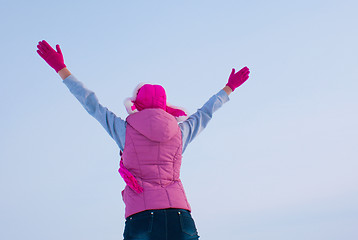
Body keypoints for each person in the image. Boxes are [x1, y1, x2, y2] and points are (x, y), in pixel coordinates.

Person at [36, 40, 250, 240]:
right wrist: (228, 88)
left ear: (137, 104)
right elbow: (205, 113)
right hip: (180, 216)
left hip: (142, 216)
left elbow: (92, 105)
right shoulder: (180, 132)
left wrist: (62, 70)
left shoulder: (125, 130)